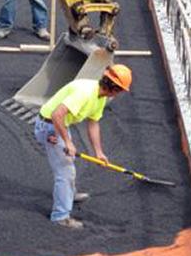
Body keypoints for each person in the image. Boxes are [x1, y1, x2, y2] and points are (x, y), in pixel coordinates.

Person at [33, 64, 133, 229]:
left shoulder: (100, 97)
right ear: (114, 88)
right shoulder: (85, 92)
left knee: (68, 166)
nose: (120, 94)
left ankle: (68, 194)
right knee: (65, 171)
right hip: (50, 127)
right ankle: (60, 216)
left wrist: (99, 153)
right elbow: (56, 115)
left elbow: (93, 124)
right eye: (121, 90)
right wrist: (68, 142)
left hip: (60, 125)